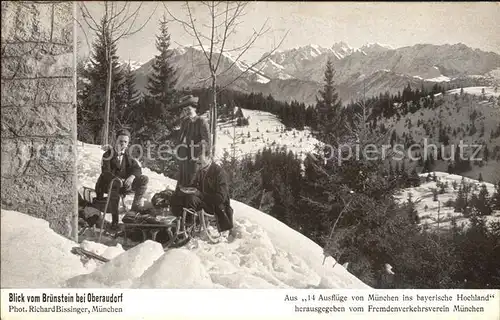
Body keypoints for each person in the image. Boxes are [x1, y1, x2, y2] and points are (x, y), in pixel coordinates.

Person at [170, 147, 234, 233]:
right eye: (197, 158)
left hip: (215, 206)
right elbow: (195, 185)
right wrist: (186, 189)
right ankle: (178, 224)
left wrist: (200, 194)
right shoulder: (201, 170)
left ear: (209, 157)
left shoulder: (219, 173)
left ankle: (189, 227)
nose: (197, 161)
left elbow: (220, 198)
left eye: (200, 158)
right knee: (176, 197)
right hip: (203, 202)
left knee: (191, 199)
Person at [95, 129, 149, 228]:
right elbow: (105, 172)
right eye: (121, 141)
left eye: (125, 142)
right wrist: (118, 180)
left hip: (124, 184)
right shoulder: (107, 154)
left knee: (144, 179)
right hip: (108, 184)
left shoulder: (128, 155)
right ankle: (114, 221)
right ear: (116, 141)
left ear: (128, 143)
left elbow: (137, 169)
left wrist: (132, 177)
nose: (123, 144)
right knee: (115, 184)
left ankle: (134, 209)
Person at [168, 94, 210, 192]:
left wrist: (197, 151)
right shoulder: (185, 121)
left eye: (188, 109)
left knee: (193, 183)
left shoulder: (201, 121)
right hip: (184, 156)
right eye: (185, 109)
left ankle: (192, 204)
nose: (186, 111)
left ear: (194, 108)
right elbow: (181, 137)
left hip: (196, 157)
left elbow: (206, 141)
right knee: (182, 182)